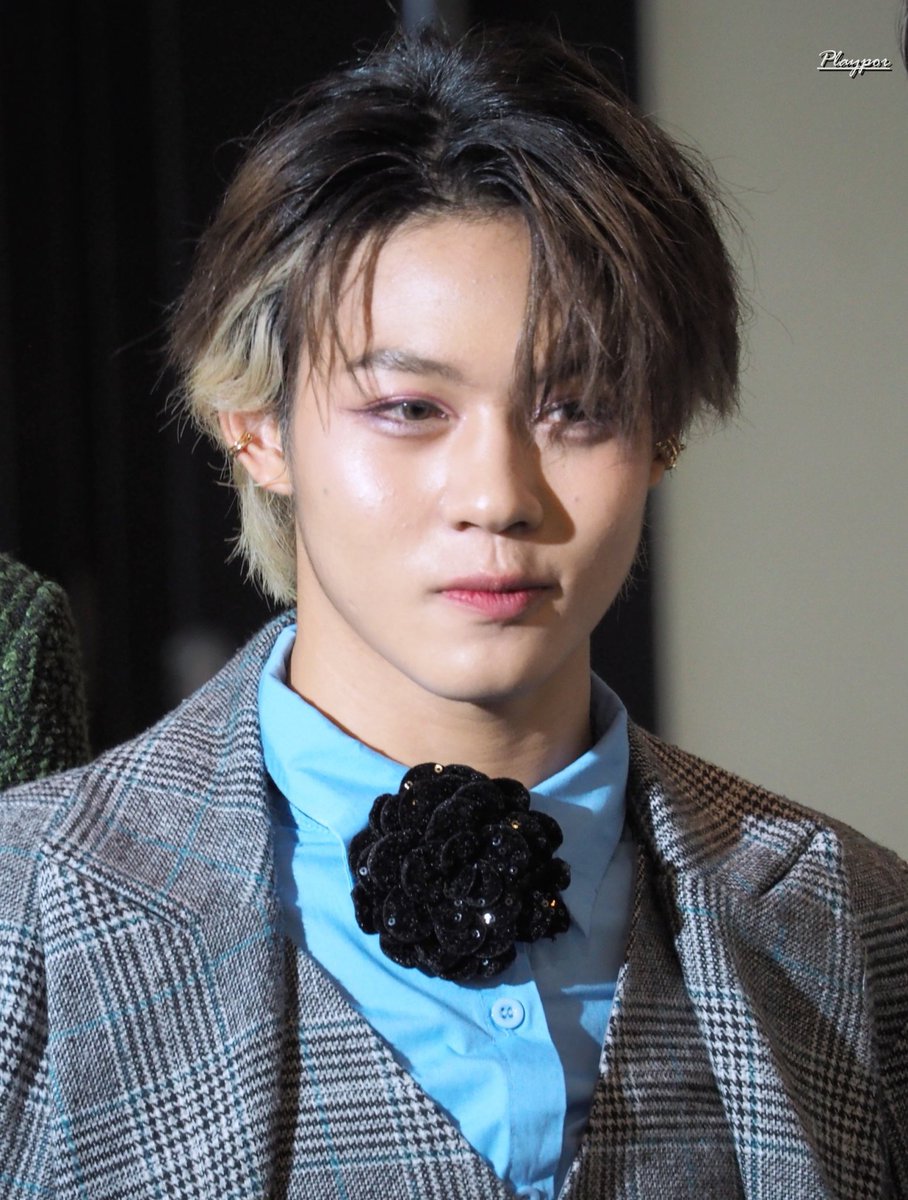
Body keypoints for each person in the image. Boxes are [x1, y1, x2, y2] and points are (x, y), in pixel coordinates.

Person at [1, 27, 905, 1200]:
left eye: (576, 408)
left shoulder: (859, 921)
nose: (497, 495)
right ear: (257, 425)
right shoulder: (27, 911)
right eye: (409, 408)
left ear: (663, 437)